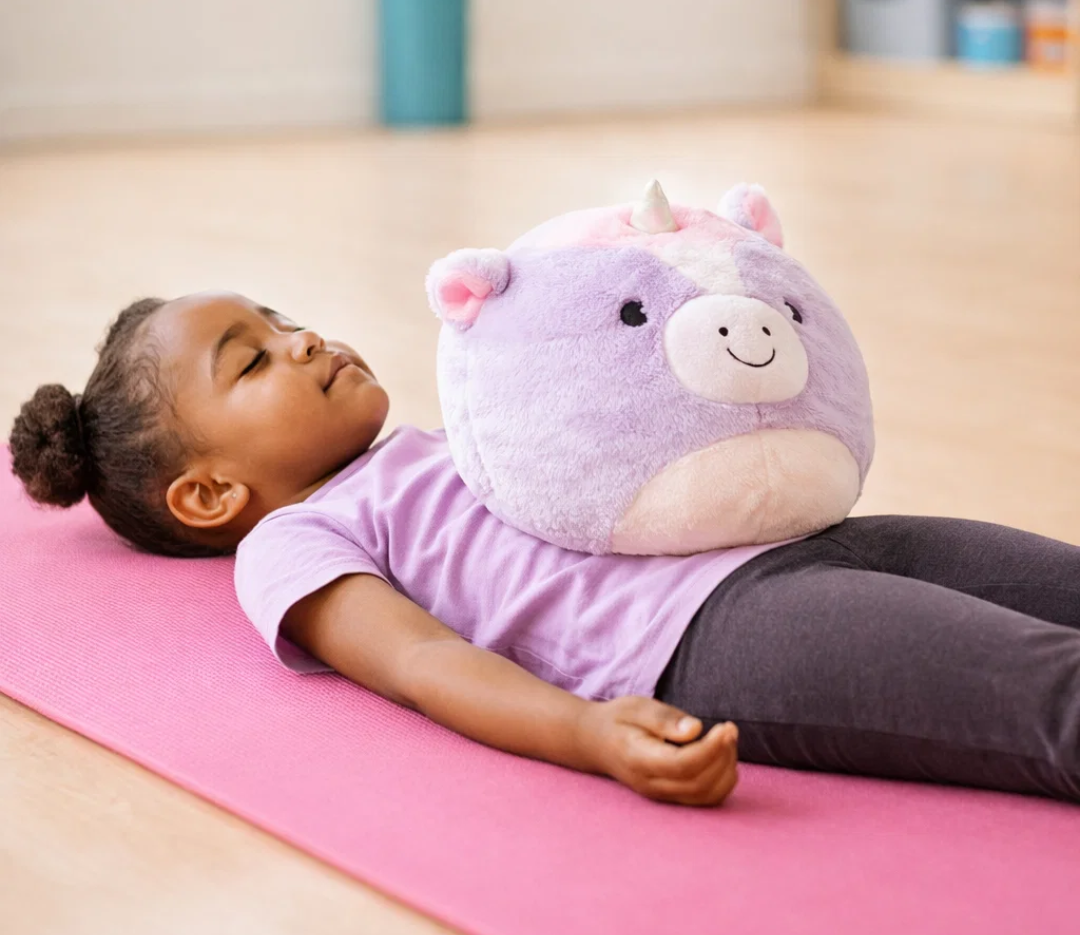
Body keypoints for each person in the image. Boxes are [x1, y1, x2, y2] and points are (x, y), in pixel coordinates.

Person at [11, 292, 1080, 806]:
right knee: (1049, 694)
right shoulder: (296, 540)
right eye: (251, 361)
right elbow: (426, 664)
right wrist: (588, 734)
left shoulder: (445, 439)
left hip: (791, 535)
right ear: (208, 495)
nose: (303, 338)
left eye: (282, 317)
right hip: (717, 633)